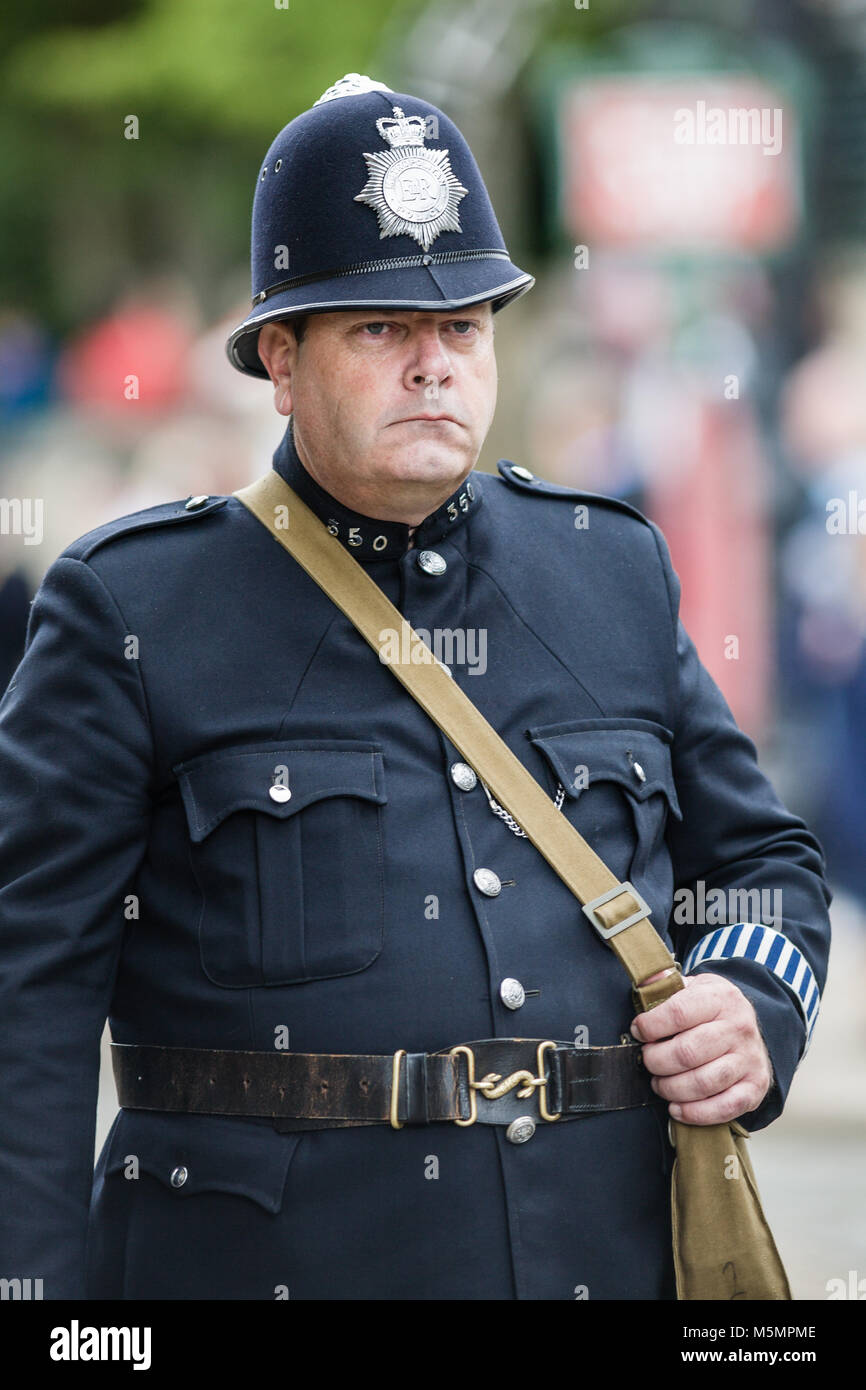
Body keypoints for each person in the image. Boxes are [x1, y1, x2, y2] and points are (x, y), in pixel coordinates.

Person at [0, 73, 831, 1301]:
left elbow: (766, 865)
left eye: (463, 328)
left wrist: (750, 1008)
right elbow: (28, 999)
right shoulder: (133, 608)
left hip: (598, 1264)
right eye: (381, 330)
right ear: (280, 360)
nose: (433, 365)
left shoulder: (606, 569)